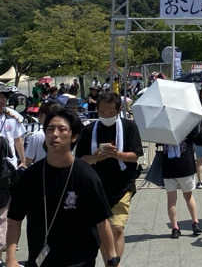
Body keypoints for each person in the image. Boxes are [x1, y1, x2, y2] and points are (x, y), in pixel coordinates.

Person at [6, 107, 120, 267]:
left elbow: (102, 222)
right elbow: (14, 220)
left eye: (62, 129)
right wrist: (10, 258)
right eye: (50, 129)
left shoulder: (86, 176)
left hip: (79, 260)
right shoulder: (31, 176)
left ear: (74, 136)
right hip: (40, 260)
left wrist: (112, 259)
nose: (55, 134)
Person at [76, 91, 143, 261]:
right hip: (96, 186)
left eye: (111, 112)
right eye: (102, 112)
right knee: (102, 230)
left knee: (117, 228)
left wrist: (117, 155)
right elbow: (81, 159)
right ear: (96, 110)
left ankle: (113, 263)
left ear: (118, 110)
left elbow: (135, 155)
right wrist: (97, 156)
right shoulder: (89, 130)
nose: (107, 115)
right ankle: (109, 259)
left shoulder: (129, 127)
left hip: (123, 184)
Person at [159, 127, 202, 238]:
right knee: (188, 196)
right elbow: (197, 138)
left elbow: (158, 144)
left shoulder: (162, 127)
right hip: (185, 165)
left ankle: (175, 228)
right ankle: (195, 223)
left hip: (168, 167)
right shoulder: (187, 124)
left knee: (171, 200)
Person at [23, 100, 57, 167]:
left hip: (41, 174)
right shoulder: (65, 133)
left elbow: (27, 161)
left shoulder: (37, 136)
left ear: (43, 115)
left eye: (39, 114)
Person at [0, 87, 25, 169]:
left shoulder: (13, 116)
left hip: (10, 163)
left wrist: (23, 161)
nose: (1, 100)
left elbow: (18, 140)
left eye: (3, 97)